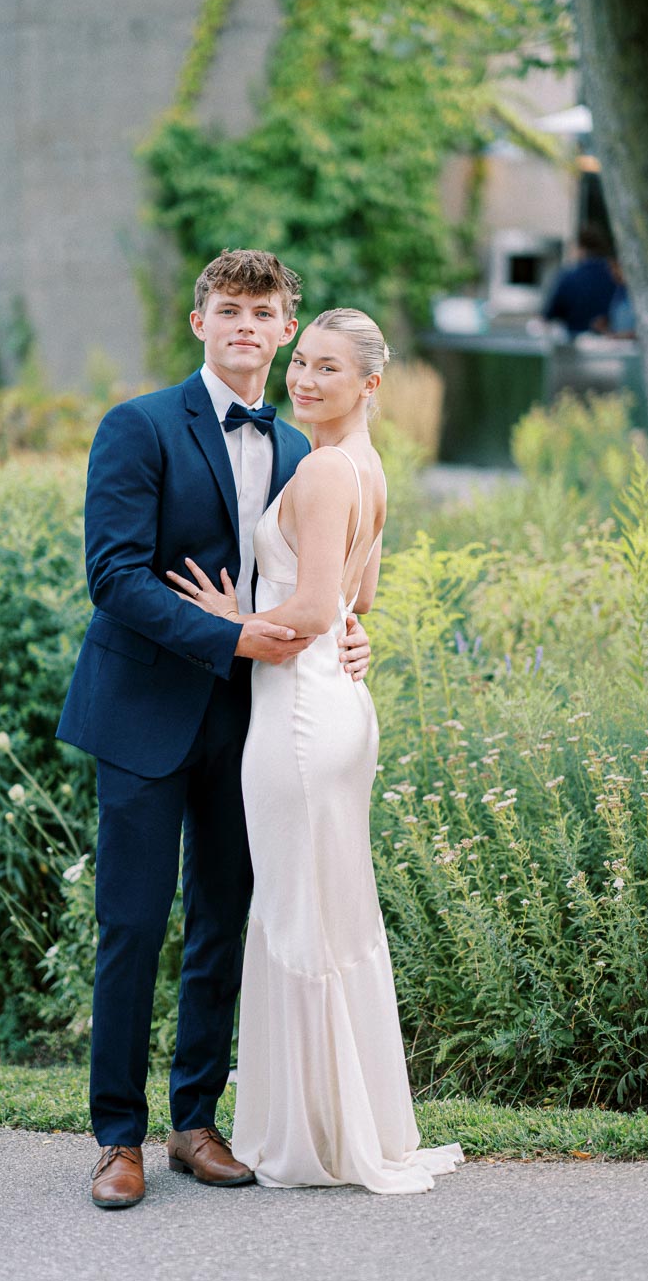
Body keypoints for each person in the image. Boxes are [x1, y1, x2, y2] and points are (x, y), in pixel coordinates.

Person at [56, 250, 372, 1209]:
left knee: (221, 926)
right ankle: (118, 1140)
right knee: (132, 926)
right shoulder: (139, 425)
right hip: (148, 713)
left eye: (263, 312)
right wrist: (235, 639)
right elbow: (114, 578)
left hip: (258, 726)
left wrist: (352, 638)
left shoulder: (299, 449)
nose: (246, 325)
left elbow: (325, 583)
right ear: (200, 323)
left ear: (284, 330)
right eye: (228, 309)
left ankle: (195, 1122)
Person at [169, 308, 463, 1193]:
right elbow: (358, 602)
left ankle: (308, 1138)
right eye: (303, 364)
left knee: (299, 915)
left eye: (329, 369)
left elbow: (310, 615)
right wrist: (335, 625)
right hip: (336, 707)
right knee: (332, 911)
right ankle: (347, 1123)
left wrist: (227, 620)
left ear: (370, 384)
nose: (305, 381)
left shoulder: (328, 467)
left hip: (298, 717)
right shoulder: (365, 468)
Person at [543, 224, 617, 336]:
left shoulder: (568, 276)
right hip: (610, 341)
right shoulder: (615, 275)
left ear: (580, 248)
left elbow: (550, 314)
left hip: (574, 340)